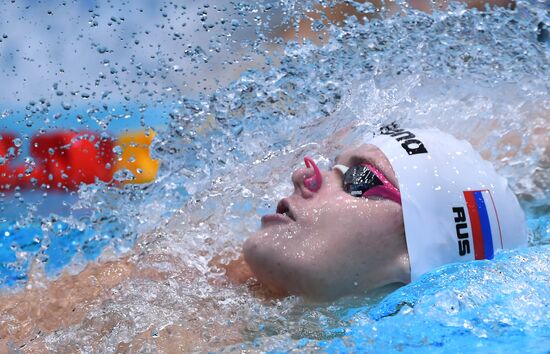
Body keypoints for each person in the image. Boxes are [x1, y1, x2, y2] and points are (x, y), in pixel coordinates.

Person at [0, 124, 528, 350]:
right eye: (329, 163)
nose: (306, 174)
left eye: (362, 178)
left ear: (417, 257)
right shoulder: (176, 273)